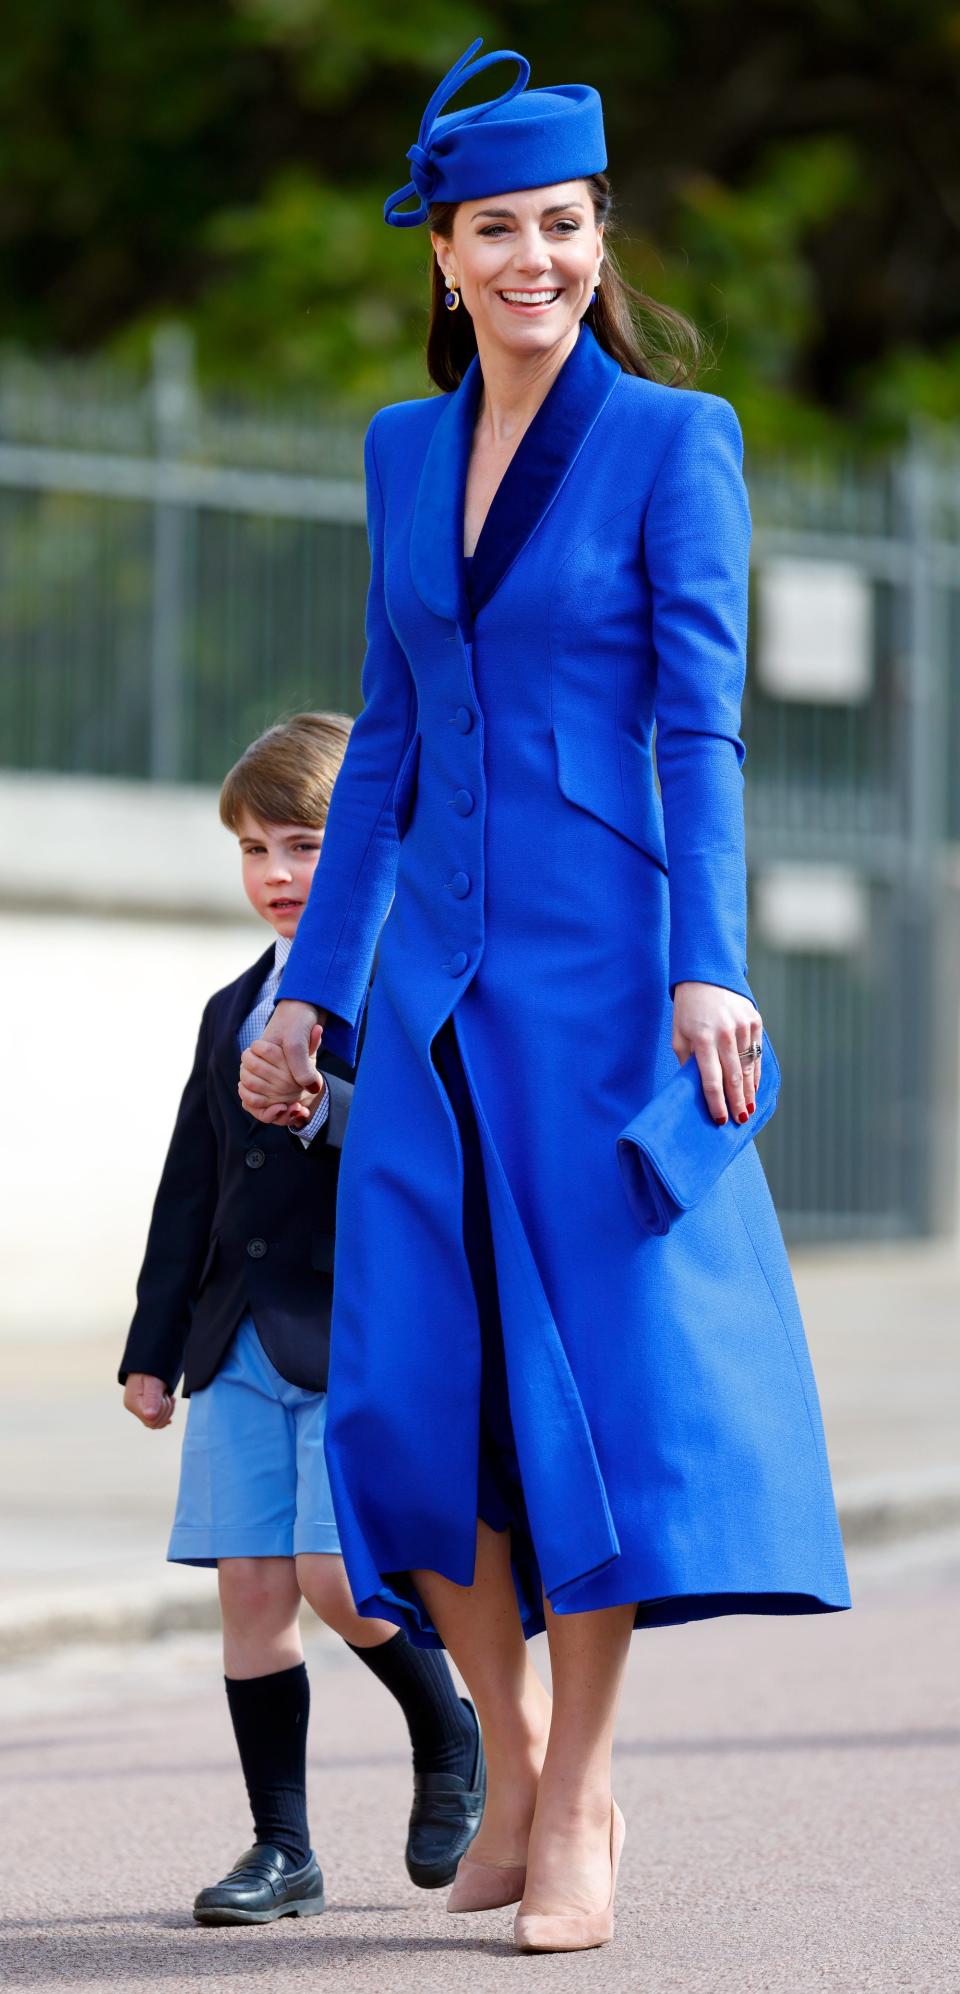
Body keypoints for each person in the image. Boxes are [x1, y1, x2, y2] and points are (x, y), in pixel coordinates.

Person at [239, 38, 851, 1956]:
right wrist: (309, 999)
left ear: (601, 238)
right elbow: (396, 735)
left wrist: (708, 964)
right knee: (418, 1403)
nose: (533, 260)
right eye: (495, 229)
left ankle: (576, 1783)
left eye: (563, 228)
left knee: (579, 1395)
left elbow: (703, 727)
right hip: (425, 987)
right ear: (442, 253)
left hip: (606, 977)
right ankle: (504, 1735)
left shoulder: (682, 442)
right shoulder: (401, 448)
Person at [118, 712, 485, 1927]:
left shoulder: (403, 979)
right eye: (254, 848)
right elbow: (191, 1182)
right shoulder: (233, 1001)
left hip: (359, 1337)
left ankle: (452, 1732)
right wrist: (153, 1344)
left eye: (306, 844)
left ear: (374, 845)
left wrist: (321, 1102)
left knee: (342, 1578)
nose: (276, 875)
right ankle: (285, 1850)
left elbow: (425, 1143)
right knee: (252, 1597)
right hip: (235, 1341)